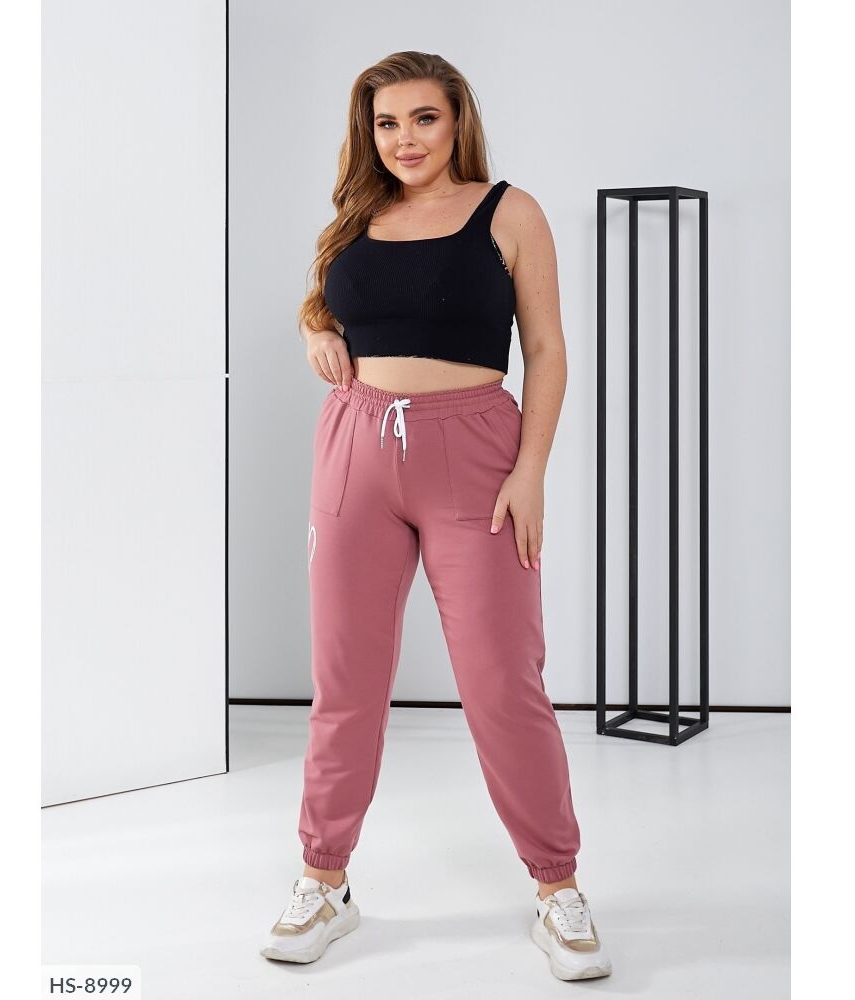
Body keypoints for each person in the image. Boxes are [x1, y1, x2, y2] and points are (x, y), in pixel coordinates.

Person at [259, 51, 612, 982]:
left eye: (423, 118)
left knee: (501, 680)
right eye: (386, 123)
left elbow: (546, 349)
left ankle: (556, 885)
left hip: (476, 454)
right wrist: (313, 329)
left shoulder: (509, 211)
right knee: (345, 681)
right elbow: (331, 305)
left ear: (457, 120)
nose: (405, 139)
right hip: (355, 449)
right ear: (367, 132)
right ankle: (324, 880)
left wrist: (530, 472)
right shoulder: (355, 217)